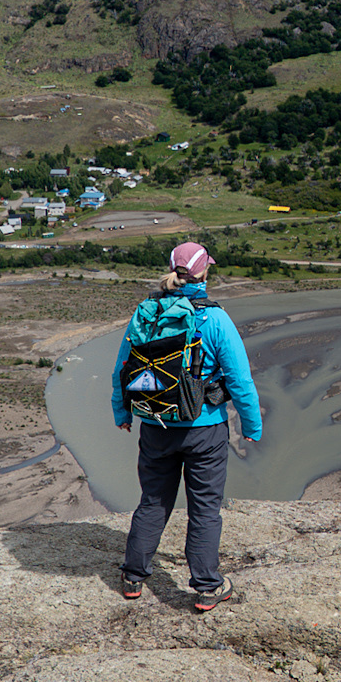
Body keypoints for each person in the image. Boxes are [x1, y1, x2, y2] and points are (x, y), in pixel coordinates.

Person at [111, 240, 262, 610]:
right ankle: (208, 586)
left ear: (172, 269)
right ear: (205, 272)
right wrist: (252, 426)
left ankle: (133, 576)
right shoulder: (216, 319)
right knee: (205, 508)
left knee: (153, 501)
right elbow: (240, 380)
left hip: (156, 423)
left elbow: (123, 368)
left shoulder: (147, 312)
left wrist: (123, 413)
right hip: (205, 430)